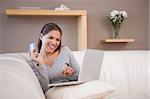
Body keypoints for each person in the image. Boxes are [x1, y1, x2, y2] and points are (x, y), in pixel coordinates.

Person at [27, 23, 80, 93]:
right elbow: (45, 89)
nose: (54, 42)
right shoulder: (35, 61)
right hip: (54, 93)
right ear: (41, 36)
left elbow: (80, 76)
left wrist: (71, 75)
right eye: (51, 38)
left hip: (74, 89)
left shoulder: (65, 51)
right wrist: (41, 64)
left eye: (57, 40)